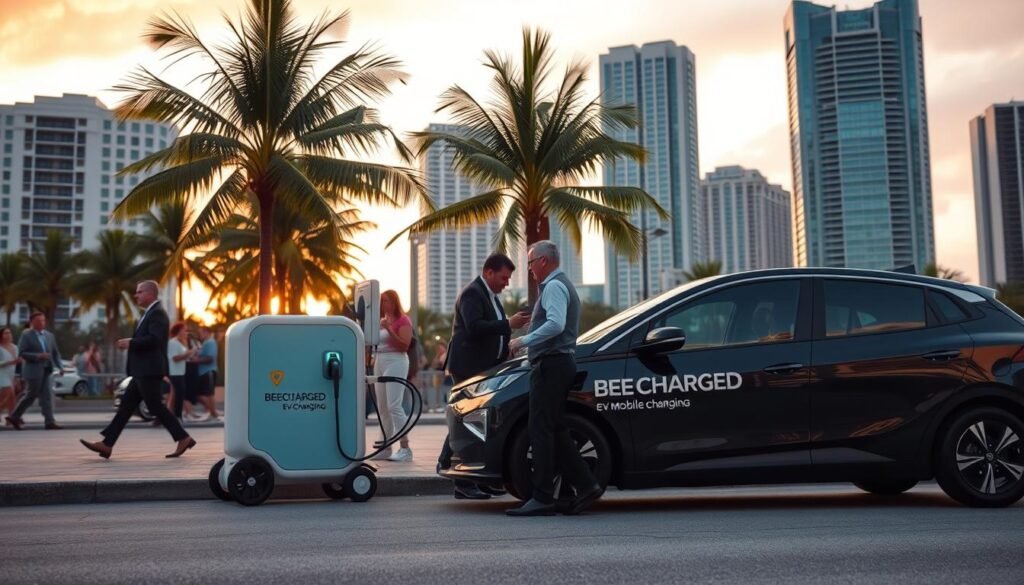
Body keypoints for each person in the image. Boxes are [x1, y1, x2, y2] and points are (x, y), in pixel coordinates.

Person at [506, 241, 602, 517]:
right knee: (556, 430)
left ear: (544, 261)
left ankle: (544, 497)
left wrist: (521, 341)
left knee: (541, 430)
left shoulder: (554, 287)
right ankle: (585, 485)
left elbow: (556, 324)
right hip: (555, 364)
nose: (530, 268)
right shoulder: (557, 285)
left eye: (531, 261)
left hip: (552, 366)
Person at [439, 253, 530, 500]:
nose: (506, 283)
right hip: (469, 368)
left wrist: (507, 345)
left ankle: (471, 477)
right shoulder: (473, 293)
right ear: (489, 272)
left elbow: (490, 332)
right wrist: (508, 325)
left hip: (483, 367)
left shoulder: (489, 296)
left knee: (472, 421)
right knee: (469, 421)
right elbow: (475, 327)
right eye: (503, 277)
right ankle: (462, 481)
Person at [79, 280, 195, 459]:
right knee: (126, 408)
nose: (136, 295)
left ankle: (183, 437)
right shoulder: (149, 314)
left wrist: (131, 343)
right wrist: (131, 342)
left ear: (150, 293)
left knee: (155, 406)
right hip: (142, 370)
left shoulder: (158, 314)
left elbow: (155, 340)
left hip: (149, 370)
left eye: (140, 292)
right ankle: (107, 444)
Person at [374, 290, 414, 462]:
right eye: (381, 301)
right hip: (380, 360)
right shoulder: (380, 321)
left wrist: (389, 330)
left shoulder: (403, 320)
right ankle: (386, 446)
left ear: (394, 302)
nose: (383, 304)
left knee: (394, 405)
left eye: (386, 301)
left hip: (396, 360)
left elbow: (405, 346)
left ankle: (405, 448)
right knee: (383, 407)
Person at [6, 312, 64, 430]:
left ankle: (49, 422)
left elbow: (55, 353)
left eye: (43, 320)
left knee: (46, 396)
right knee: (31, 395)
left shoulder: (49, 335)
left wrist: (61, 367)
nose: (41, 323)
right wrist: (38, 356)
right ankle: (14, 416)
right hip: (33, 370)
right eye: (38, 321)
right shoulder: (27, 335)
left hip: (47, 370)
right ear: (32, 322)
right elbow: (21, 353)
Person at [190, 325, 222, 421]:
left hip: (207, 372)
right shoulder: (205, 343)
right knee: (204, 394)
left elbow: (210, 358)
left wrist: (196, 361)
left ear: (206, 332)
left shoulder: (210, 343)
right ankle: (211, 412)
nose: (199, 335)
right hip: (203, 372)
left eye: (201, 332)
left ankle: (214, 413)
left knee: (207, 394)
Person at [167, 322, 198, 421]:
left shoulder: (179, 343)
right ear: (179, 331)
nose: (186, 332)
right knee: (179, 395)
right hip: (174, 373)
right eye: (184, 330)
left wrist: (190, 353)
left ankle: (171, 416)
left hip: (180, 372)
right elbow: (175, 358)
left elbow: (185, 357)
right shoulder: (173, 343)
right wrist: (191, 351)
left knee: (177, 394)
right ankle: (178, 416)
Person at [0, 326, 23, 421]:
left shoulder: (15, 347)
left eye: (9, 333)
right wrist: (11, 362)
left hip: (11, 374)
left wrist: (17, 376)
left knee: (12, 397)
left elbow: (17, 364)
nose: (8, 335)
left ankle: (12, 418)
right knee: (7, 393)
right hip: (2, 373)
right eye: (5, 333)